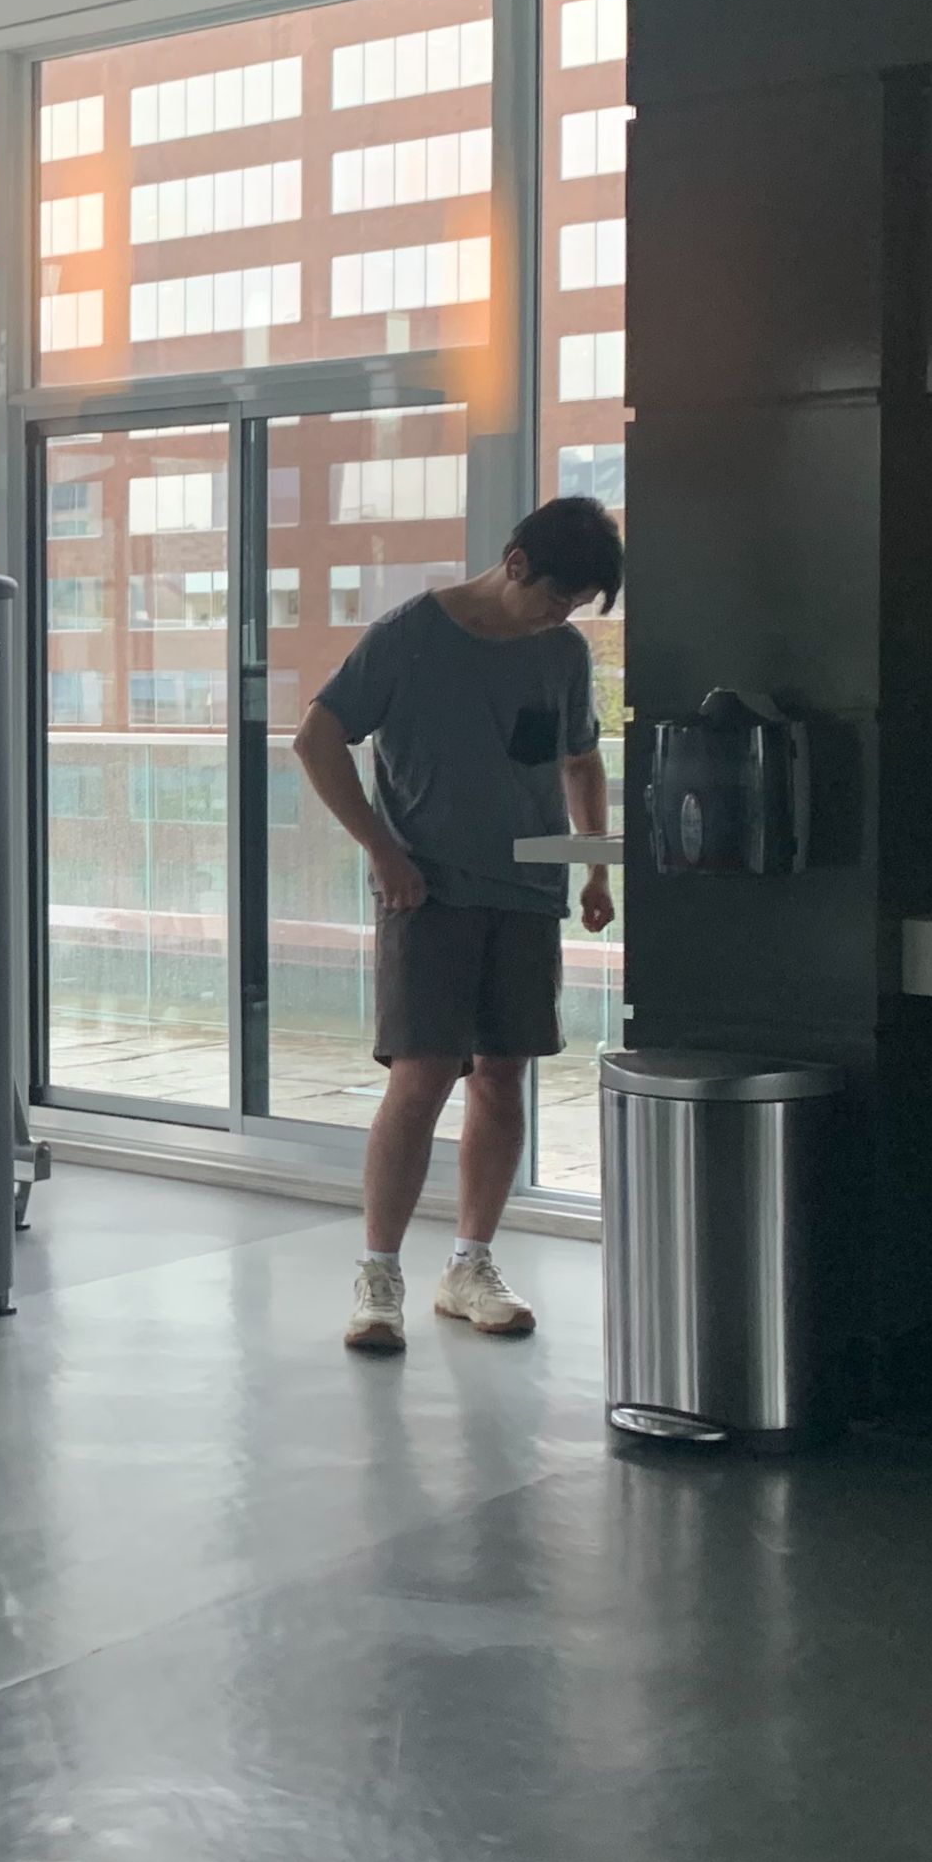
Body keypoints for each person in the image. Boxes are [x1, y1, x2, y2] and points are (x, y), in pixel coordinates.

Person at [289, 496, 622, 1354]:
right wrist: (381, 850)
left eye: (578, 605)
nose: (562, 616)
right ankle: (378, 1276)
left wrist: (594, 864)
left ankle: (470, 1265)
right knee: (421, 1077)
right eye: (557, 597)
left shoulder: (562, 653)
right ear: (516, 564)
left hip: (528, 892)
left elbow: (580, 759)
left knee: (503, 1077)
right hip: (426, 893)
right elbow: (316, 739)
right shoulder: (408, 638)